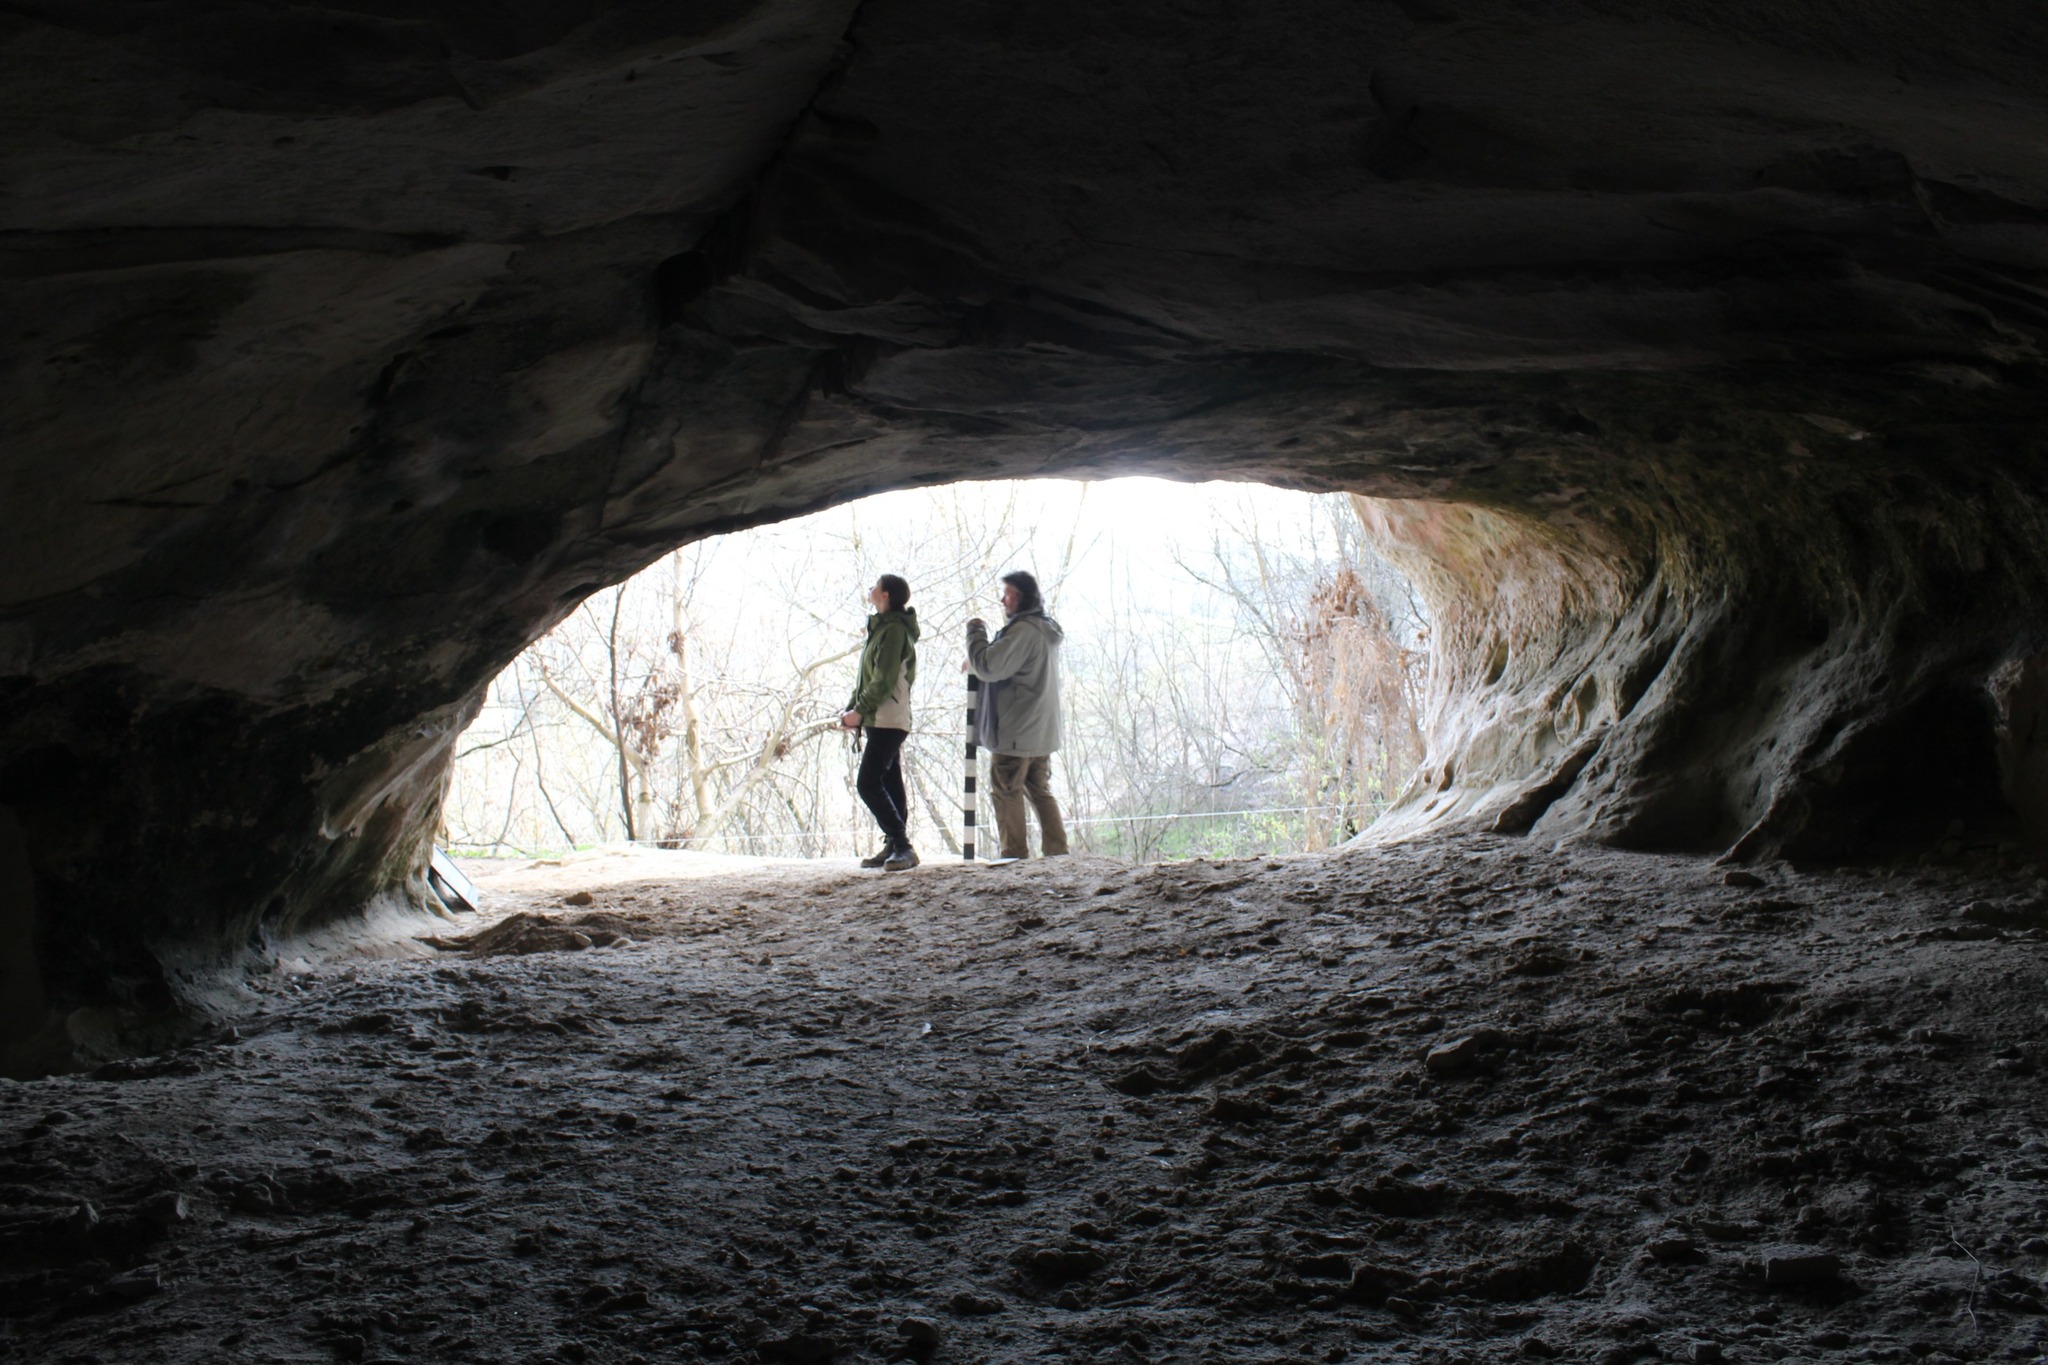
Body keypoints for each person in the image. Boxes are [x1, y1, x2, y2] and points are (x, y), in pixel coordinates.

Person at [966, 570, 1069, 860]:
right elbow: (1006, 661)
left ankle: (1014, 854)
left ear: (1021, 597)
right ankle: (1057, 852)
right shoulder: (1044, 629)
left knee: (1006, 788)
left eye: (1008, 593)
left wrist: (975, 633)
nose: (1003, 599)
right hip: (1041, 730)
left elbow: (989, 666)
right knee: (1040, 789)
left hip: (1016, 730)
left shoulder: (1023, 631)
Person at [841, 574, 920, 871]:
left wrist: (860, 711)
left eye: (875, 586)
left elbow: (884, 679)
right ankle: (893, 845)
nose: (870, 590)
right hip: (882, 716)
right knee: (889, 779)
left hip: (889, 717)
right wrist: (853, 707)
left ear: (885, 595)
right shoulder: (881, 628)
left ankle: (902, 845)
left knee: (868, 782)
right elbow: (867, 676)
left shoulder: (894, 630)